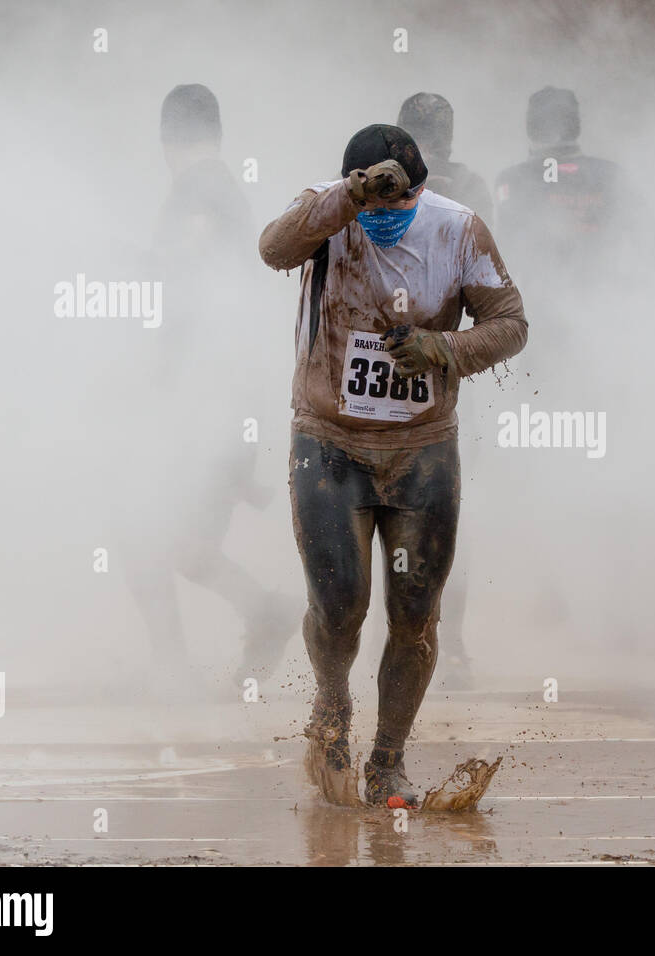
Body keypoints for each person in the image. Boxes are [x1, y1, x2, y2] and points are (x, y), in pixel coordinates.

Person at [258, 124, 527, 806]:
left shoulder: (459, 229)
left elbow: (512, 322)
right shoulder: (325, 211)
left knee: (415, 615)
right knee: (340, 605)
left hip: (422, 451)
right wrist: (347, 199)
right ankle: (331, 704)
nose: (383, 217)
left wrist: (444, 349)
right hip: (330, 441)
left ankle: (388, 761)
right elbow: (272, 249)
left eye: (395, 204)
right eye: (372, 203)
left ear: (420, 192)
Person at [121, 84, 293, 693]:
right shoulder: (224, 190)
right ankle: (261, 614)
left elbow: (189, 288)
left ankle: (173, 668)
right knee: (183, 543)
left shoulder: (198, 192)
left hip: (207, 398)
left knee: (142, 531)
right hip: (222, 396)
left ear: (166, 137)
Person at [396, 91, 492, 689]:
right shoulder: (471, 188)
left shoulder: (384, 183)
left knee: (386, 508)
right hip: (447, 370)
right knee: (441, 513)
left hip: (396, 364)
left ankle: (420, 639)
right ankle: (445, 643)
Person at [493, 86, 624, 283]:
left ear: (531, 128)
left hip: (541, 303)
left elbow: (504, 255)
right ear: (575, 125)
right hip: (608, 296)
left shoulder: (514, 180)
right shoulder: (612, 175)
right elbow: (651, 247)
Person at [397, 92, 493, 223]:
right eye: (416, 141)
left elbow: (480, 238)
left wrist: (449, 201)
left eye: (434, 145)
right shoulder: (384, 181)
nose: (425, 153)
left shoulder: (469, 185)